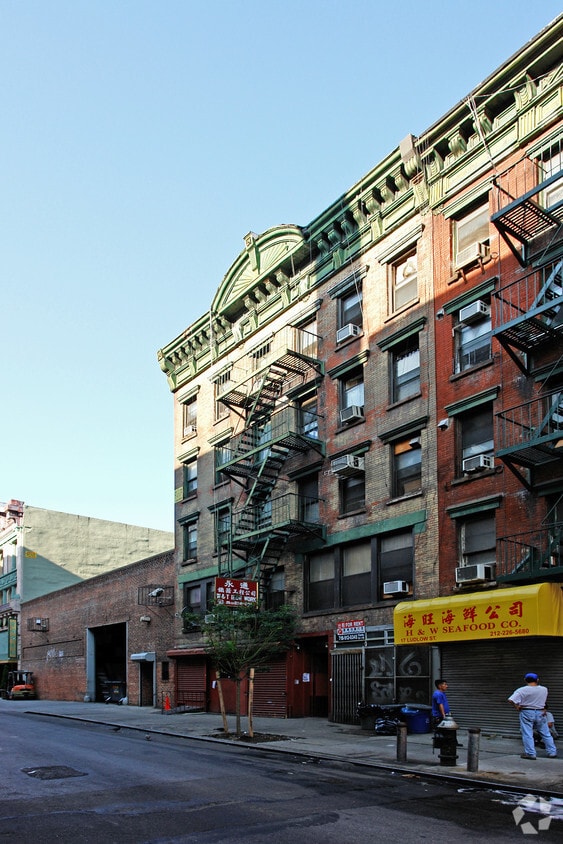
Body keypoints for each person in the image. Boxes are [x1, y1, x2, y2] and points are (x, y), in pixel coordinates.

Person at [508, 672, 558, 759]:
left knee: (527, 733)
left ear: (525, 680)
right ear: (537, 680)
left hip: (527, 712)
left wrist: (517, 706)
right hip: (540, 712)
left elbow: (511, 699)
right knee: (546, 733)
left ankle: (531, 753)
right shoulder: (544, 689)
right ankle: (552, 752)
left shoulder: (521, 690)